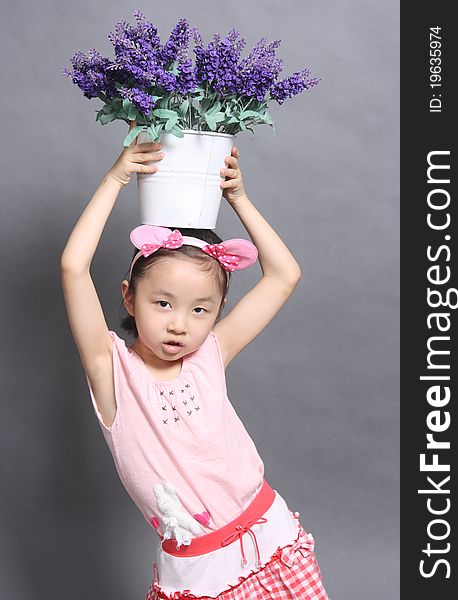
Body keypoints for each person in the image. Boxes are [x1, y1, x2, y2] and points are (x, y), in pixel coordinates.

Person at [60, 125, 331, 600]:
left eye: (200, 309)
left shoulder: (210, 354)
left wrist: (239, 198)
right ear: (128, 297)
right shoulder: (112, 372)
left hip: (270, 537)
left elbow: (284, 275)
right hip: (199, 571)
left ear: (217, 314)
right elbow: (72, 268)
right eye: (162, 304)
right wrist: (115, 179)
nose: (180, 325)